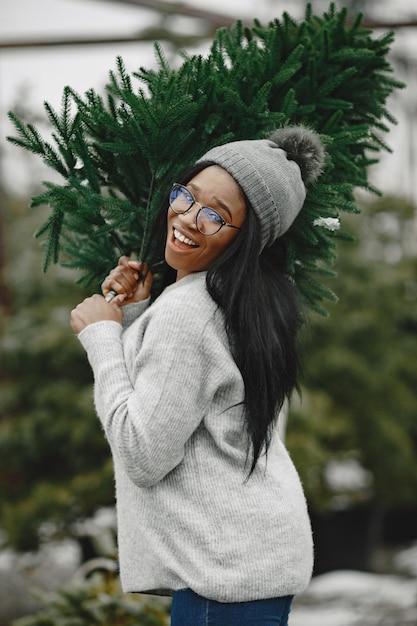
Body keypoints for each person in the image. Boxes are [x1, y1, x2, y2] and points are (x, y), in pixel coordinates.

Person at [70, 126, 325, 625]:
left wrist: (102, 339)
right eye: (186, 196)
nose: (186, 218)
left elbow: (145, 453)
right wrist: (141, 313)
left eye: (215, 216)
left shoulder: (192, 310)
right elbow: (190, 401)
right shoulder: (244, 304)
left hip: (223, 577)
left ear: (246, 237)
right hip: (248, 562)